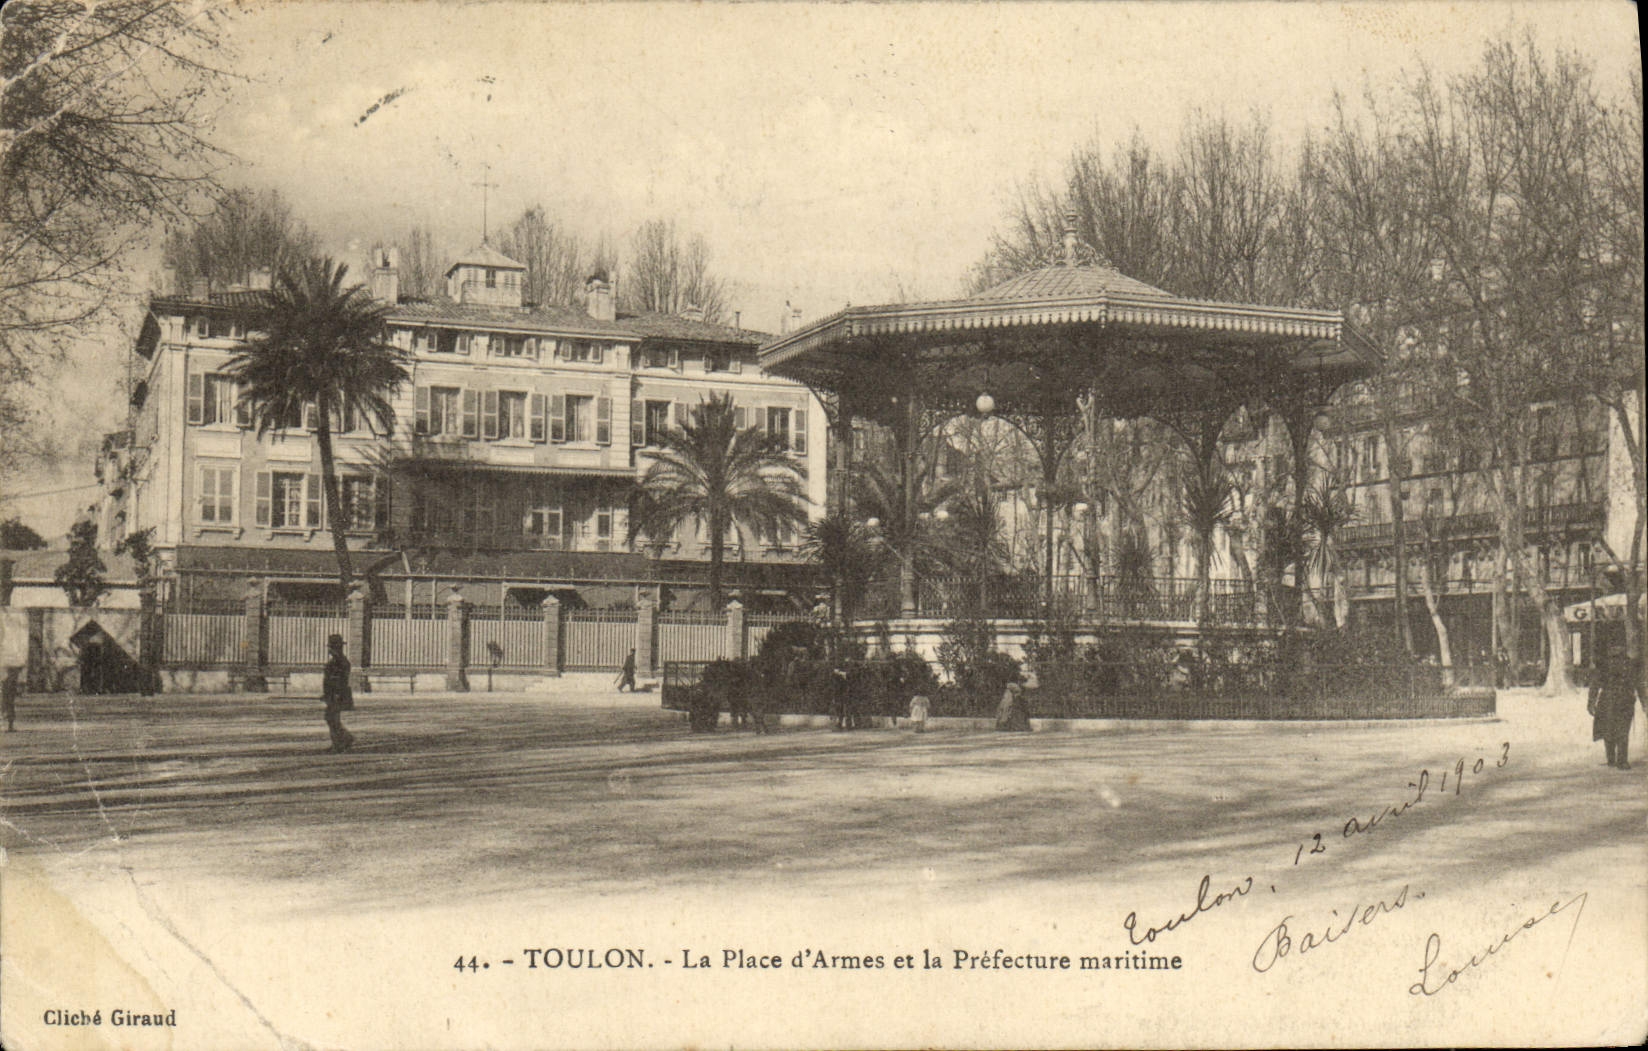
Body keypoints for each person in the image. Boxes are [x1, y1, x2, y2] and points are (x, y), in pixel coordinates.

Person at [1588, 641, 1643, 769]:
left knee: (1609, 729)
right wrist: (1644, 702)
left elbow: (1595, 684)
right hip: (1625, 700)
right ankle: (1622, 761)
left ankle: (1612, 759)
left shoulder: (1603, 664)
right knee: (1623, 730)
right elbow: (1639, 684)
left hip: (1608, 699)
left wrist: (1591, 702)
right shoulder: (1630, 664)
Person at [322, 634, 356, 753]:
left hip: (337, 694)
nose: (330, 650)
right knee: (331, 718)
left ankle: (342, 741)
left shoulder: (340, 661)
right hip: (334, 694)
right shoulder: (338, 660)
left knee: (332, 718)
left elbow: (339, 680)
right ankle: (341, 741)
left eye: (331, 647)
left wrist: (334, 694)